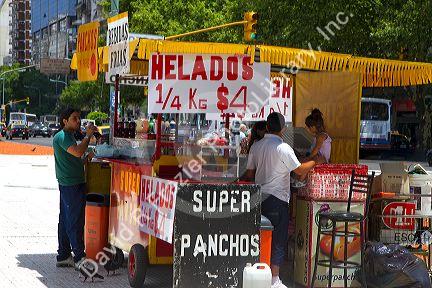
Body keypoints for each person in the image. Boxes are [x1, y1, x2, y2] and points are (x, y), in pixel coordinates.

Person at [245, 112, 323, 288]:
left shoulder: (256, 146)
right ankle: (274, 279)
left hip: (259, 197)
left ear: (266, 127)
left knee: (261, 236)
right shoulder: (283, 147)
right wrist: (315, 161)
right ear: (283, 129)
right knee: (278, 238)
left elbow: (250, 174)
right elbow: (300, 170)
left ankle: (259, 273)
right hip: (277, 199)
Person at [53, 108, 97, 269]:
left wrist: (88, 158)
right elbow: (78, 152)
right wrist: (88, 136)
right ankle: (79, 257)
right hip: (71, 185)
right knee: (75, 221)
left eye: (78, 118)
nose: (78, 121)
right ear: (65, 120)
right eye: (74, 118)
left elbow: (76, 159)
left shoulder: (69, 136)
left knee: (66, 220)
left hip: (72, 182)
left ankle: (64, 255)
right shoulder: (62, 137)